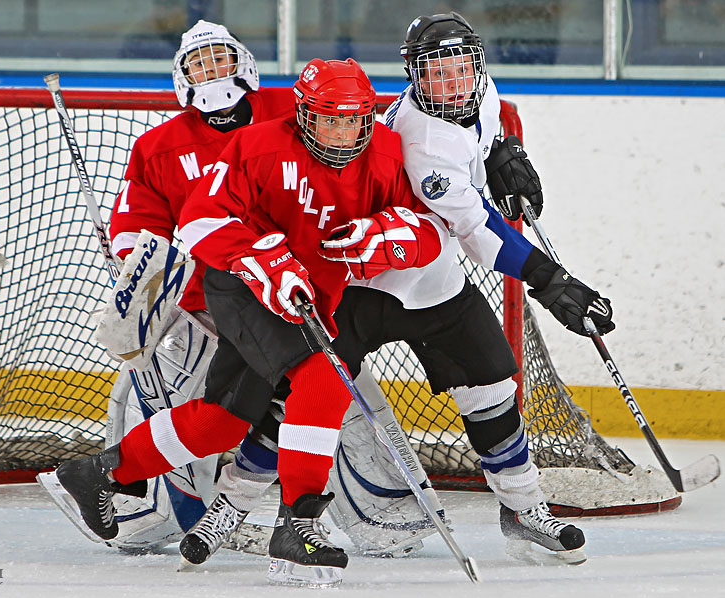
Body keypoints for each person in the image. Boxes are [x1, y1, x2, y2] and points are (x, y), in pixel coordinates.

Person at [182, 12, 615, 568]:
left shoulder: (476, 93)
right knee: (300, 398)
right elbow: (476, 228)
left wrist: (498, 153)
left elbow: (480, 137)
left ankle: (524, 507)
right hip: (364, 287)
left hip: (437, 287)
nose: (454, 83)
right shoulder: (420, 142)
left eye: (463, 68)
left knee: (491, 390)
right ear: (414, 77)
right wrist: (551, 280)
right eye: (438, 74)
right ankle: (234, 505)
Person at [53, 57, 446, 587]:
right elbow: (199, 220)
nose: (343, 130)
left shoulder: (385, 153)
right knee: (326, 376)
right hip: (240, 286)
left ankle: (97, 472)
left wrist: (393, 236)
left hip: (308, 295)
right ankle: (298, 523)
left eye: (354, 118)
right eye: (329, 118)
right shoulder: (257, 146)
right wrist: (263, 259)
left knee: (224, 420)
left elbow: (429, 225)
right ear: (304, 114)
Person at [38, 19, 298, 552]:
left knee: (311, 397)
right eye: (199, 64)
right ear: (182, 78)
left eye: (220, 59)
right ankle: (138, 503)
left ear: (243, 63)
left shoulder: (291, 112)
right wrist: (137, 265)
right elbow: (138, 226)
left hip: (291, 296)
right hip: (205, 309)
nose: (212, 71)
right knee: (196, 411)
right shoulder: (160, 146)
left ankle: (361, 509)